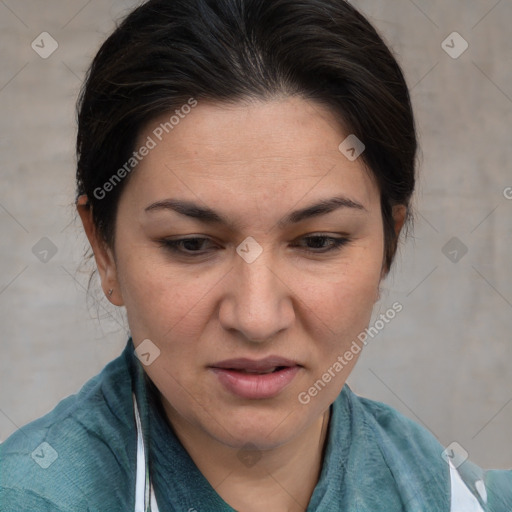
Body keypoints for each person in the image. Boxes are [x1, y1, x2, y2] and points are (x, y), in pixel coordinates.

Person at [1, 0, 510, 510]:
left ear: (388, 244)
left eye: (318, 242)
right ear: (103, 250)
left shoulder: (463, 499)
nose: (257, 318)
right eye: (191, 244)